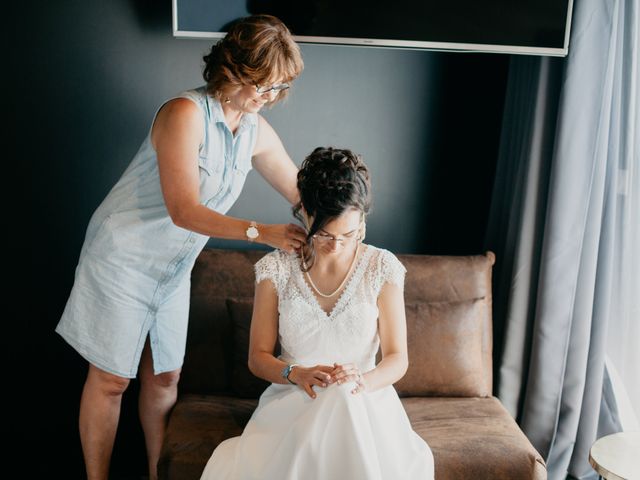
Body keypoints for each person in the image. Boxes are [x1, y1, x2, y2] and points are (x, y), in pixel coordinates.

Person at [55, 14, 308, 480]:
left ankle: (159, 474)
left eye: (275, 90)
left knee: (167, 377)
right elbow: (184, 211)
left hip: (173, 270)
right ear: (233, 67)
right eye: (260, 85)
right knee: (113, 381)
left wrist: (338, 224)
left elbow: (299, 193)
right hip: (123, 258)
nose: (266, 99)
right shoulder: (184, 114)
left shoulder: (255, 129)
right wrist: (263, 233)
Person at [200, 147, 434, 479]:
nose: (337, 245)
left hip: (365, 403)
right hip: (293, 401)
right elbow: (258, 357)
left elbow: (397, 359)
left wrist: (360, 382)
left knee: (342, 397)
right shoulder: (275, 268)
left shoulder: (382, 267)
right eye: (325, 234)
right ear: (306, 215)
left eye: (348, 235)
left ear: (362, 221)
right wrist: (296, 373)